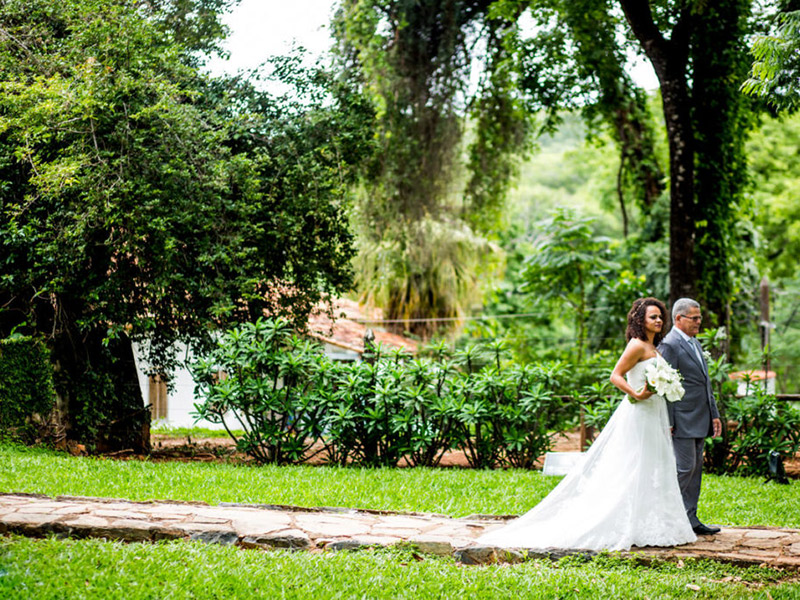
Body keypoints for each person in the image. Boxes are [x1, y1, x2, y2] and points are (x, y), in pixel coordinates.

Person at [477, 298, 696, 551]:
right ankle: (627, 520)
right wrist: (635, 394)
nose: (658, 321)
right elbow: (615, 375)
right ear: (640, 320)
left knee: (655, 465)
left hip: (655, 411)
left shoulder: (654, 346)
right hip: (640, 413)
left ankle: (655, 522)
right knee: (635, 464)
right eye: (652, 317)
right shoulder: (636, 345)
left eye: (660, 317)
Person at [658, 298, 722, 536]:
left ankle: (689, 519)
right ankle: (664, 516)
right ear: (678, 319)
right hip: (681, 419)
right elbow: (665, 385)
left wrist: (714, 415)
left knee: (695, 471)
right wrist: (669, 421)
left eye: (699, 318)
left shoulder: (694, 343)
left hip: (701, 417)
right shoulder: (670, 345)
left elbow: (705, 383)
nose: (698, 322)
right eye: (694, 318)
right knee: (684, 468)